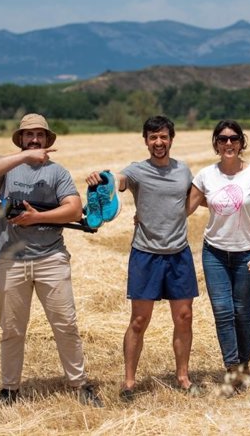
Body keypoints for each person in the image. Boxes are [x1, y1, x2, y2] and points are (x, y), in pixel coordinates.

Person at [0, 113, 102, 407]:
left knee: (66, 325)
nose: (34, 140)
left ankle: (80, 384)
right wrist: (23, 157)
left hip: (51, 258)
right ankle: (9, 389)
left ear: (48, 140)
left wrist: (37, 218)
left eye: (40, 136)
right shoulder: (7, 169)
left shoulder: (57, 172)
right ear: (21, 139)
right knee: (11, 329)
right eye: (28, 135)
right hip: (10, 260)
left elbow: (73, 210)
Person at [85, 115, 200, 401]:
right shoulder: (137, 171)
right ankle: (129, 383)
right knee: (139, 320)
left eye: (163, 137)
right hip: (146, 255)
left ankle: (183, 377)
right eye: (153, 137)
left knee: (184, 318)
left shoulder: (183, 171)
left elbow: (192, 198)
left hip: (179, 254)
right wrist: (103, 179)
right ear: (146, 140)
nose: (158, 142)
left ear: (171, 139)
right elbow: (118, 181)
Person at [187, 119, 250, 390]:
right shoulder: (205, 175)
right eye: (222, 139)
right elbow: (185, 208)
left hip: (246, 252)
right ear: (216, 144)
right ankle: (232, 369)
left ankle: (244, 366)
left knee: (242, 312)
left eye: (234, 138)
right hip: (215, 253)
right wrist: (147, 211)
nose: (228, 143)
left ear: (242, 142)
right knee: (222, 311)